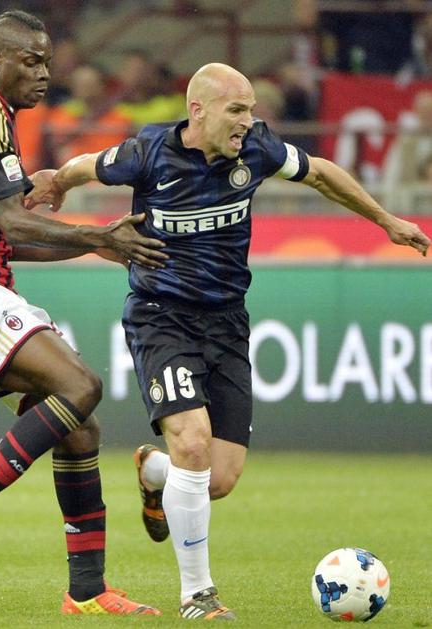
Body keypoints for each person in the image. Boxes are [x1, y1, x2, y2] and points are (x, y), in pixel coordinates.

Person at [26, 62, 430, 620]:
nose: (248, 121)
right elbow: (86, 165)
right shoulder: (148, 153)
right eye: (236, 109)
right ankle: (198, 595)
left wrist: (385, 220)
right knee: (192, 440)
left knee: (217, 479)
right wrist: (57, 181)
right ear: (199, 111)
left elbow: (319, 173)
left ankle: (155, 472)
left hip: (227, 322)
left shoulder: (258, 148)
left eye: (251, 111)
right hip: (161, 316)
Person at [0, 10, 167, 617]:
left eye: (48, 62)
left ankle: (87, 590)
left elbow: (8, 237)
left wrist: (94, 245)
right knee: (81, 386)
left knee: (80, 427)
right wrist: (99, 236)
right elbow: (16, 222)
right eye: (31, 61)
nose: (44, 73)